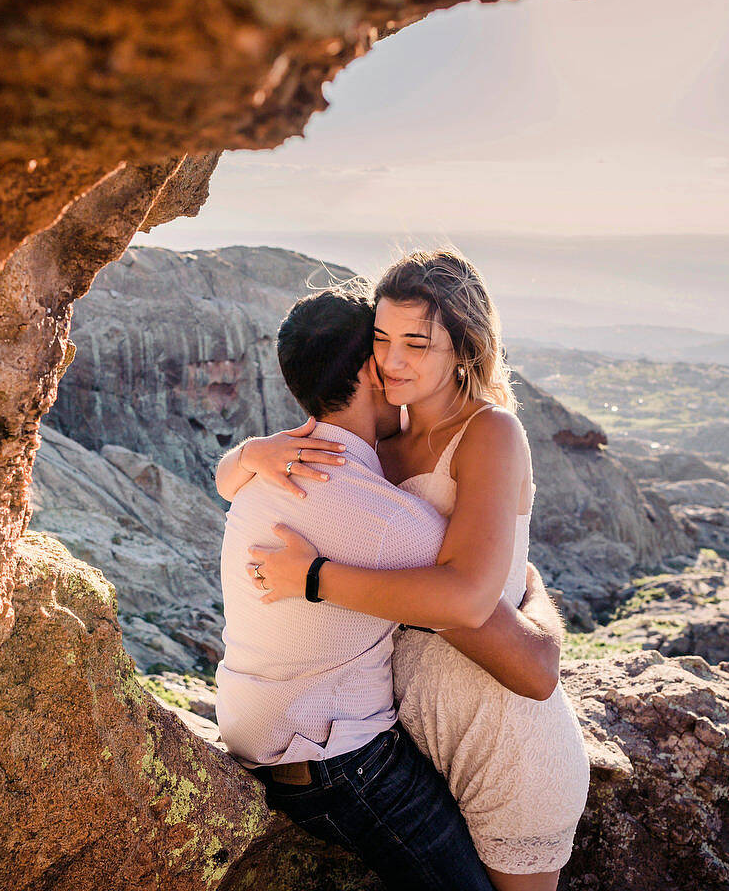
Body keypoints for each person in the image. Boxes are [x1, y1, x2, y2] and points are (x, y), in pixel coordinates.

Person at [236, 247, 591, 891]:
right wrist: (249, 454)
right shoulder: (381, 441)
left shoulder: (489, 432)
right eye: (381, 339)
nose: (392, 361)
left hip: (501, 737)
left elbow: (484, 620)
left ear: (464, 348)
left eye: (416, 344)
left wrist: (314, 578)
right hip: (416, 741)